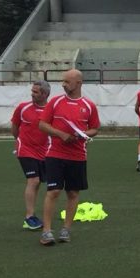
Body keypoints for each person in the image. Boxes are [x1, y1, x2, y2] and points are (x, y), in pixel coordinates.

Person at [37, 69, 100, 246]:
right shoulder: (55, 102)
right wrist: (60, 134)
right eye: (63, 81)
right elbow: (42, 124)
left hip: (78, 155)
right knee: (53, 191)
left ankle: (66, 229)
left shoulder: (89, 105)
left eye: (67, 81)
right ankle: (47, 231)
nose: (63, 84)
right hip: (55, 154)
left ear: (78, 83)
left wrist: (84, 134)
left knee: (73, 192)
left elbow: (95, 128)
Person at [11, 80, 51, 231]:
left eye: (36, 92)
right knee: (33, 180)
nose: (32, 94)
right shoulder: (23, 107)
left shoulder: (51, 110)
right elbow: (15, 128)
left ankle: (34, 215)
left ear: (45, 94)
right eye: (32, 91)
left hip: (45, 151)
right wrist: (20, 143)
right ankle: (29, 217)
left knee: (39, 181)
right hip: (25, 149)